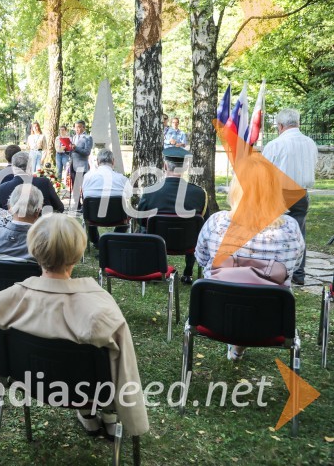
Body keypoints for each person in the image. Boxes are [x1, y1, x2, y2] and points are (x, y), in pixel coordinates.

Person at [0, 213, 149, 440]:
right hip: (92, 393)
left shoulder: (1, 302)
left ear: (34, 249)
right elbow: (124, 371)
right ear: (78, 253)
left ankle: (91, 416)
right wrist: (134, 419)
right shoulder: (102, 310)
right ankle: (108, 417)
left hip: (29, 384)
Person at [195, 153, 304, 360]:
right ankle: (238, 347)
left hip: (216, 315)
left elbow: (201, 259)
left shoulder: (216, 223)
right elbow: (294, 266)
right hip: (269, 321)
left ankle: (237, 345)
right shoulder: (290, 229)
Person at [136, 147, 208, 285]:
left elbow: (141, 221)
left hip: (157, 243)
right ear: (185, 167)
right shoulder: (200, 194)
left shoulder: (150, 192)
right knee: (195, 230)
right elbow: (203, 224)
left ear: (164, 165)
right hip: (189, 244)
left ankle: (153, 271)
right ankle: (188, 273)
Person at [262, 108, 318, 285]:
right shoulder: (310, 143)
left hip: (280, 192)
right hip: (301, 192)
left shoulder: (275, 144)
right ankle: (298, 274)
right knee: (299, 232)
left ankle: (274, 270)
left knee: (272, 232)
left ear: (280, 125)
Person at [81, 149, 129, 248]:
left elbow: (84, 195)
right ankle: (114, 240)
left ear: (98, 162)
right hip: (118, 218)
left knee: (89, 211)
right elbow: (129, 197)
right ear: (113, 162)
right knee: (127, 215)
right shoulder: (123, 179)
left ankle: (96, 242)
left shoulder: (87, 177)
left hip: (93, 217)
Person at [0, 151, 64, 213]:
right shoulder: (44, 183)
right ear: (30, 166)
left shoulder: (2, 188)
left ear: (13, 167)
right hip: (40, 224)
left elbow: (1, 214)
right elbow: (60, 207)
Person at [70, 120, 93, 191]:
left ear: (84, 127)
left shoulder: (88, 138)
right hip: (73, 165)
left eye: (79, 127)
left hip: (81, 165)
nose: (76, 129)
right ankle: (77, 202)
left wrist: (76, 148)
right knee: (75, 188)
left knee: (83, 187)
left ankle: (85, 201)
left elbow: (87, 152)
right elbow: (72, 152)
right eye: (75, 127)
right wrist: (66, 150)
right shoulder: (74, 137)